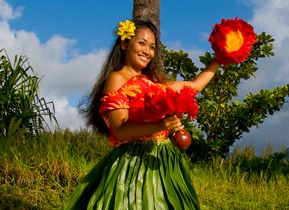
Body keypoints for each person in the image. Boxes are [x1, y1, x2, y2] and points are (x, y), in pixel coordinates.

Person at [65, 19, 220, 210]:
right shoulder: (117, 79)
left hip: (164, 160)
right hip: (135, 165)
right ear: (124, 43)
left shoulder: (153, 83)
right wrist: (161, 125)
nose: (147, 51)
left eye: (152, 47)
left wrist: (219, 59)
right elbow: (120, 131)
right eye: (142, 43)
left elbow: (195, 86)